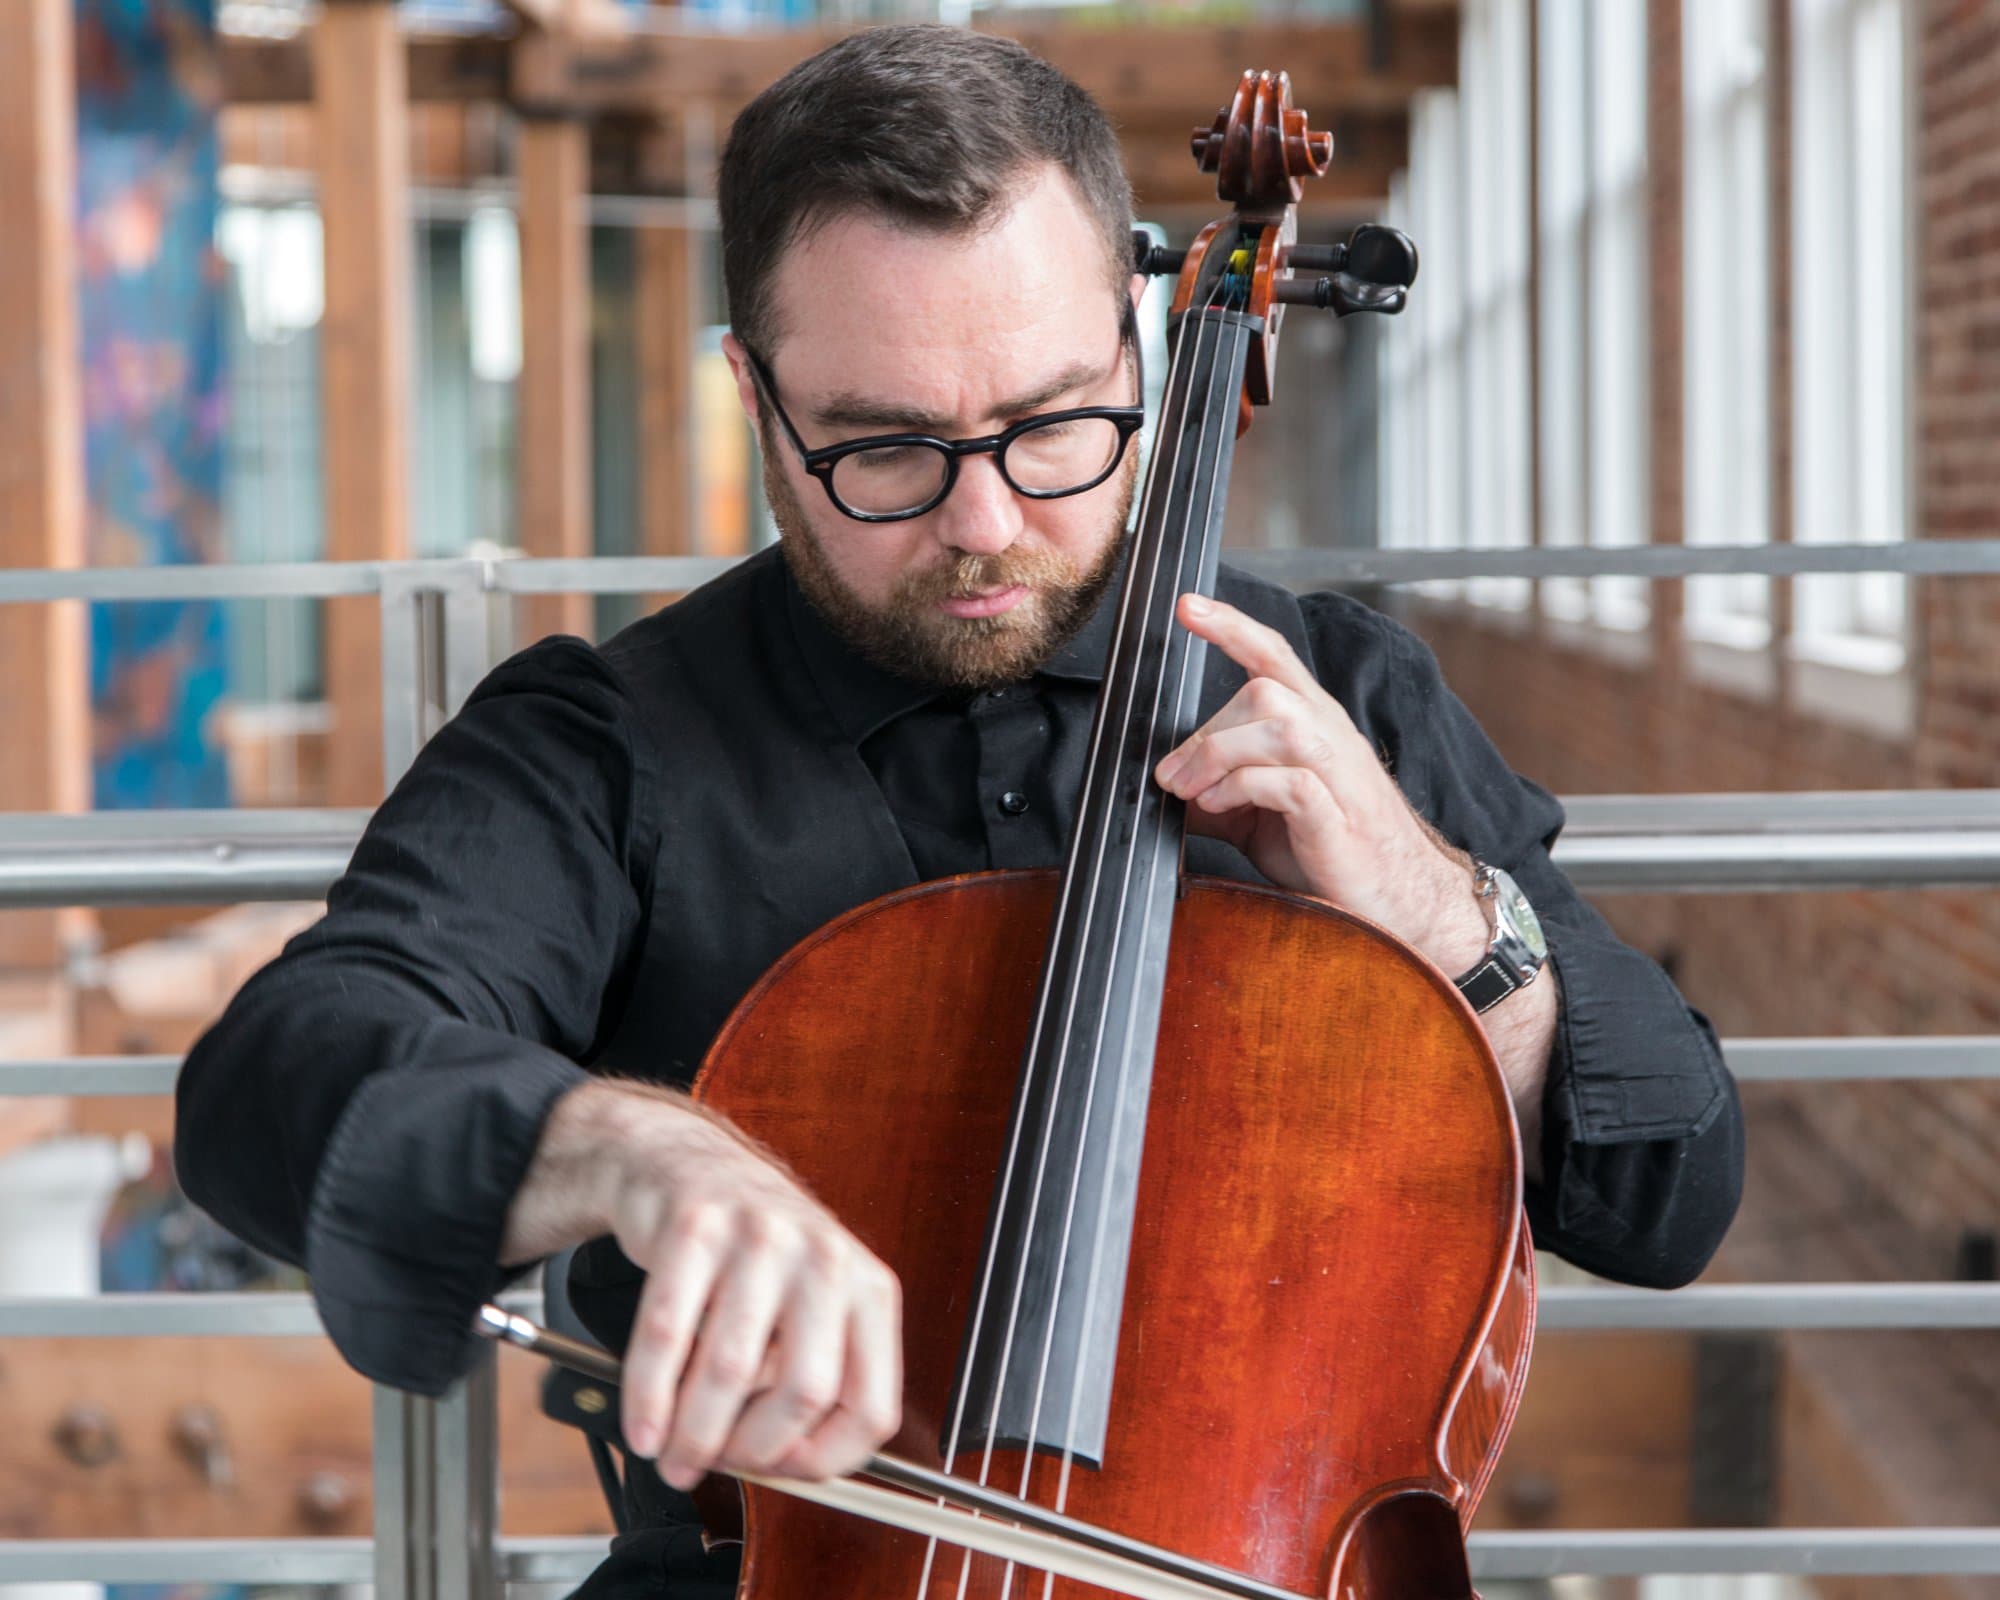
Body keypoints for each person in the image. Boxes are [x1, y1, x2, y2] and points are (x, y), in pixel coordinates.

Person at [174, 22, 1742, 1593]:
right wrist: (640, 1155)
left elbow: (1675, 1192)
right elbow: (277, 1079)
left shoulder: (1338, 693)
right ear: (756, 395)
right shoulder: (610, 742)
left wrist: (1438, 913)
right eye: (884, 449)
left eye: (1055, 421)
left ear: (1142, 354)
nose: (987, 525)